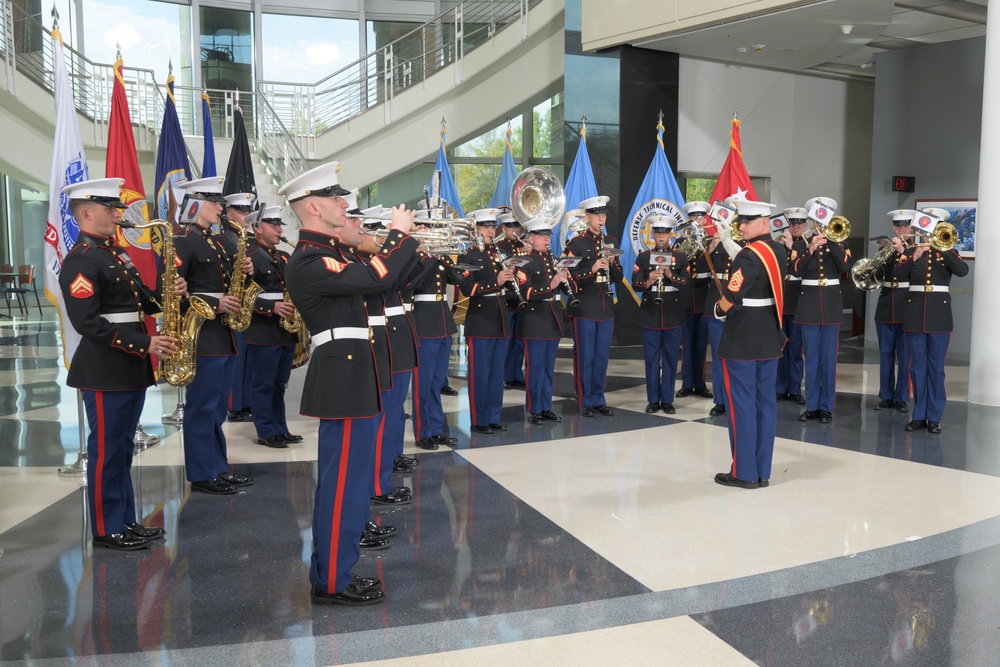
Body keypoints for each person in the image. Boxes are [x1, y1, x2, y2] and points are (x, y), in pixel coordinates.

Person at [281, 161, 420, 606]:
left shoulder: (335, 254)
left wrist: (388, 246)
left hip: (358, 377)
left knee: (354, 479)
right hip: (343, 380)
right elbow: (375, 277)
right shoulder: (308, 260)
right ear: (314, 207)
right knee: (341, 483)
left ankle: (338, 569)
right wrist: (398, 235)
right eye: (337, 198)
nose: (345, 204)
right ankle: (332, 582)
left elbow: (382, 281)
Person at [59, 177, 181, 550]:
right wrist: (145, 343)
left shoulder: (115, 253)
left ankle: (126, 519)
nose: (117, 214)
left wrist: (168, 293)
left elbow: (142, 301)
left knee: (123, 447)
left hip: (127, 366)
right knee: (106, 452)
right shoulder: (81, 259)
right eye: (110, 208)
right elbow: (88, 323)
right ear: (85, 212)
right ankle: (105, 528)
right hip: (104, 367)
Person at [174, 177, 255, 495]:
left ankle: (218, 466)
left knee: (218, 407)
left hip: (225, 335)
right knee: (202, 407)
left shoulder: (223, 242)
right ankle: (201, 472)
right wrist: (214, 302)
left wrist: (246, 271)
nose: (221, 207)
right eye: (214, 202)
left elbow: (234, 283)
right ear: (194, 204)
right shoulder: (183, 241)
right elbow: (172, 292)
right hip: (202, 335)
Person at [711, 199, 786, 489]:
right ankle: (762, 470)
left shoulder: (748, 255)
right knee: (765, 405)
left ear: (764, 222)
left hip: (742, 339)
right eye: (741, 221)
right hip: (769, 337)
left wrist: (718, 310)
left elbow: (732, 297)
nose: (741, 226)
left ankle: (744, 473)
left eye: (748, 221)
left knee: (741, 406)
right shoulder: (778, 250)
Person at [893, 207, 968, 433]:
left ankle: (934, 416)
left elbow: (962, 270)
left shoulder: (948, 250)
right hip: (915, 315)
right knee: (917, 367)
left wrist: (941, 246)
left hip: (939, 317)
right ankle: (919, 415)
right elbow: (897, 274)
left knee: (936, 369)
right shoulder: (911, 250)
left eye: (934, 227)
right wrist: (914, 255)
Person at [243, 205, 301, 448]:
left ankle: (280, 427)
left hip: (284, 328)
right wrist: (271, 308)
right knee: (264, 382)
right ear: (258, 228)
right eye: (273, 225)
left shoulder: (282, 256)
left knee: (280, 382)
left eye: (280, 225)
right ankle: (266, 431)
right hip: (263, 328)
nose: (279, 229)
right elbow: (242, 294)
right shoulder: (248, 257)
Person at [456, 208, 517, 433]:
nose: (491, 230)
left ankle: (493, 416)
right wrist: (496, 281)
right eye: (485, 226)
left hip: (500, 316)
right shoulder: (468, 255)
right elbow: (466, 288)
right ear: (475, 229)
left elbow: (506, 285)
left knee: (496, 373)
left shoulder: (499, 252)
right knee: (480, 373)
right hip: (480, 319)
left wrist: (511, 277)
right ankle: (479, 420)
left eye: (492, 226)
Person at [793, 197, 852, 424]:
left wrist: (830, 242)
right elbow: (796, 270)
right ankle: (812, 405)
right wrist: (812, 246)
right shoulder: (801, 243)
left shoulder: (841, 242)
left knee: (828, 359)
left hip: (830, 305)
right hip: (808, 305)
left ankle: (826, 406)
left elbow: (845, 267)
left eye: (825, 215)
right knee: (811, 359)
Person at [563, 195, 622, 416]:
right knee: (585, 354)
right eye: (596, 214)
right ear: (587, 216)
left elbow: (618, 277)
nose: (601, 218)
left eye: (603, 214)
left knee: (601, 355)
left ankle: (598, 398)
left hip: (605, 305)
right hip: (584, 306)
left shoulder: (612, 242)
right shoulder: (576, 243)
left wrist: (613, 265)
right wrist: (592, 268)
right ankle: (584, 399)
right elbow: (568, 275)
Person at [411, 218, 462, 450]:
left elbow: (458, 280)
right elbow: (414, 283)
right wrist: (427, 255)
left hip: (442, 323)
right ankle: (423, 432)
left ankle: (436, 427)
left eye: (431, 230)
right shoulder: (413, 258)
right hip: (425, 323)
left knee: (436, 382)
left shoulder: (438, 259)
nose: (430, 235)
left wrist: (450, 261)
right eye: (424, 230)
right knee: (424, 383)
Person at [515, 216, 572, 424]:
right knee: (535, 368)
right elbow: (526, 291)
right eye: (541, 236)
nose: (546, 240)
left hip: (552, 320)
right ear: (531, 238)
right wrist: (552, 283)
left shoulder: (552, 259)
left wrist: (565, 280)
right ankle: (534, 409)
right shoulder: (525, 262)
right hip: (535, 321)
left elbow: (561, 287)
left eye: (548, 235)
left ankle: (546, 406)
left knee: (549, 369)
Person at [631, 216, 688, 414]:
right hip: (650, 314)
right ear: (653, 234)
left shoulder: (680, 257)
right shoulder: (643, 257)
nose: (661, 236)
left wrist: (671, 276)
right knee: (651, 359)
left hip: (673, 315)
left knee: (672, 359)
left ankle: (668, 400)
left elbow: (686, 283)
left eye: (665, 232)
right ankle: (653, 400)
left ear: (670, 234)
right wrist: (648, 280)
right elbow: (635, 283)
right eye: (658, 232)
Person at [874, 210, 916, 413]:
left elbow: (914, 271)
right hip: (885, 305)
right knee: (885, 355)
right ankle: (886, 395)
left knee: (905, 357)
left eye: (905, 226)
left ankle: (901, 397)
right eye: (898, 226)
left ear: (911, 227)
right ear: (893, 227)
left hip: (907, 306)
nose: (902, 229)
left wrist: (902, 252)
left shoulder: (916, 248)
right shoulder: (887, 247)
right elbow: (877, 273)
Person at [222, 192, 257, 423]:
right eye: (241, 212)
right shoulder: (223, 239)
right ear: (229, 214)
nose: (246, 216)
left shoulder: (253, 238)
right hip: (233, 302)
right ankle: (235, 404)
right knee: (238, 353)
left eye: (248, 211)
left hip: (252, 304)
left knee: (252, 357)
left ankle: (249, 401)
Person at [702, 207, 739, 418]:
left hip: (736, 305)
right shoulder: (711, 242)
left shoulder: (743, 242)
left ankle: (735, 397)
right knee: (717, 355)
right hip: (715, 303)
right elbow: (697, 269)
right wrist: (711, 245)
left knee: (737, 356)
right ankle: (720, 400)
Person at [676, 201, 713, 400]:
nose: (696, 221)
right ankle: (686, 383)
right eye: (692, 218)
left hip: (704, 297)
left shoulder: (711, 241)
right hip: (685, 298)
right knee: (687, 344)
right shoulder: (678, 243)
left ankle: (700, 384)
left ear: (705, 219)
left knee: (701, 345)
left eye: (700, 217)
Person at [775, 207, 808, 404]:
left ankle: (795, 388)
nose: (795, 227)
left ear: (806, 225)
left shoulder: (807, 245)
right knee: (780, 347)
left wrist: (791, 248)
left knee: (796, 348)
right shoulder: (778, 243)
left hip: (797, 303)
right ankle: (780, 387)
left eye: (799, 223)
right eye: (792, 223)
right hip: (780, 302)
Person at [496, 213, 528, 390]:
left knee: (519, 340)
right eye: (510, 227)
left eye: (516, 226)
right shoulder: (499, 247)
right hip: (508, 296)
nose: (514, 230)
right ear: (503, 228)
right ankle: (507, 376)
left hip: (522, 296)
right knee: (507, 340)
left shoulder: (524, 245)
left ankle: (517, 374)